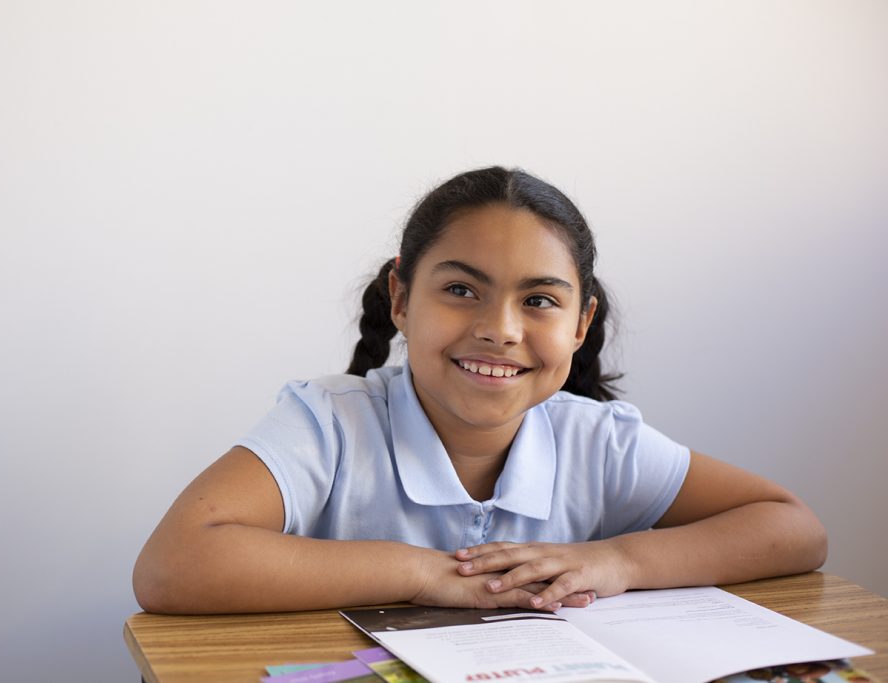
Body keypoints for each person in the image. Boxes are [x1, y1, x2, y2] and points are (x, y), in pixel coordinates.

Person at [133, 167, 827, 615]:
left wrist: (618, 558)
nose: (499, 330)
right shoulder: (330, 423)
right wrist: (422, 572)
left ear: (581, 323)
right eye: (461, 290)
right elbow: (172, 565)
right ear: (401, 298)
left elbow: (793, 527)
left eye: (540, 301)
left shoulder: (596, 439)